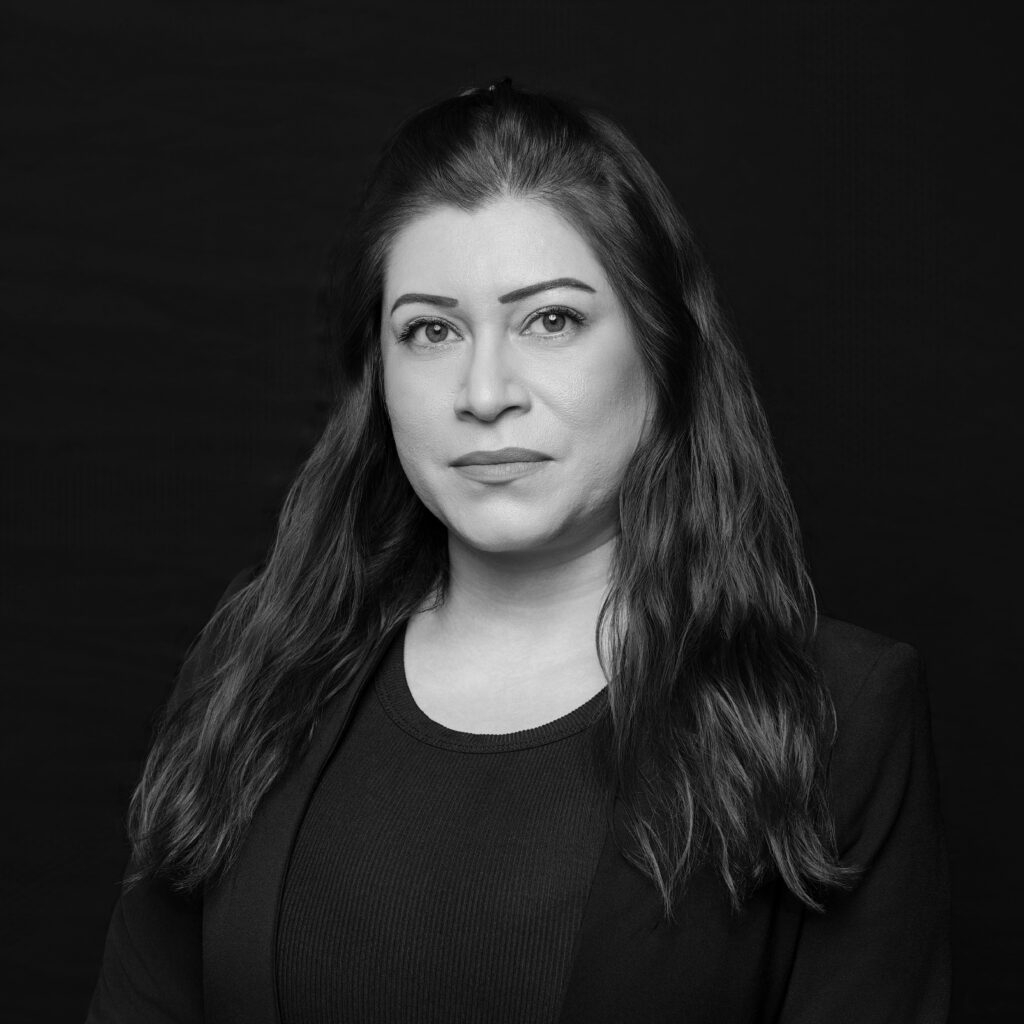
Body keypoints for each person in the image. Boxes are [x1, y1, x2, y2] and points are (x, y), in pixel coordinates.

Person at [87, 79, 951, 1023]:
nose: (485, 389)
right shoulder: (253, 671)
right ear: (380, 379)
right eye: (431, 330)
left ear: (662, 354)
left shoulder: (836, 717)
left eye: (551, 320)